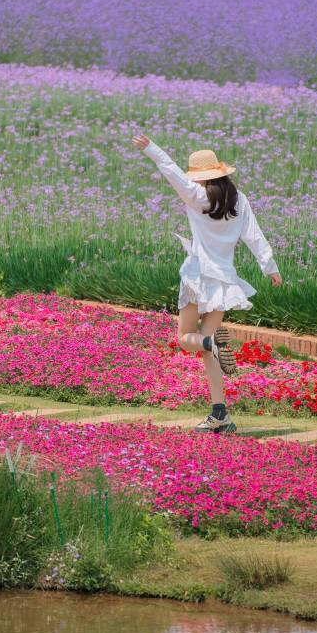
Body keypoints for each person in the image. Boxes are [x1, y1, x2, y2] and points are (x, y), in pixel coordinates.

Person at [131, 133, 281, 434]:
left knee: (186, 337)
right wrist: (270, 267)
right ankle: (220, 414)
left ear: (200, 178)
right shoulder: (238, 200)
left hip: (198, 277)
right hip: (224, 282)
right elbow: (255, 235)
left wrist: (150, 147)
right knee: (204, 349)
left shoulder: (197, 197)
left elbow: (170, 169)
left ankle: (212, 342)